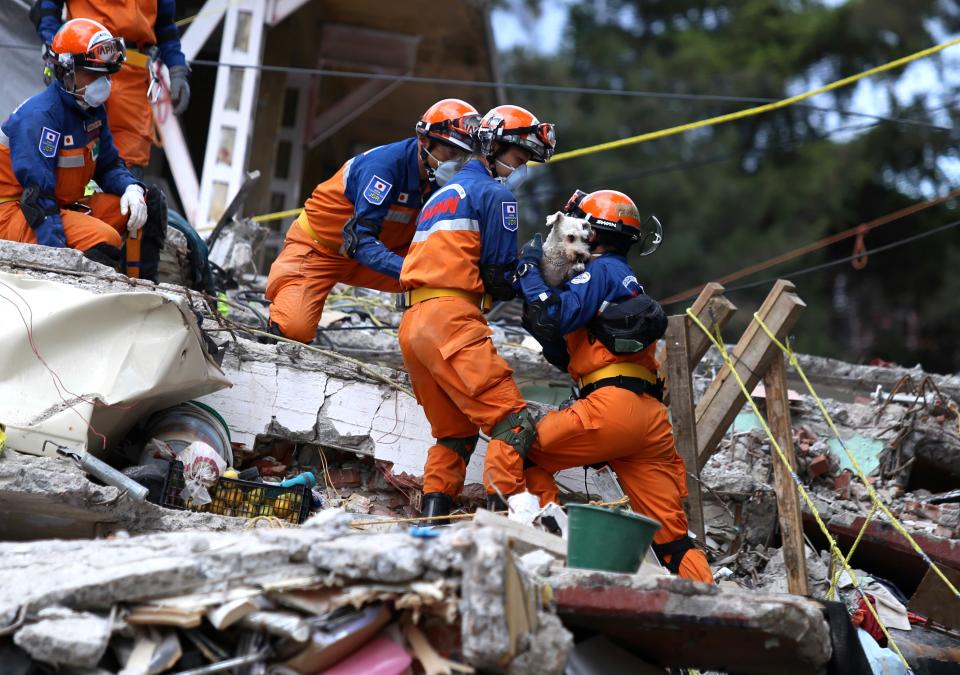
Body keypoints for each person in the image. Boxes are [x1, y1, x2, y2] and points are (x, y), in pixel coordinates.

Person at [515, 188, 714, 584]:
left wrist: (529, 273)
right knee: (672, 541)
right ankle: (715, 607)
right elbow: (562, 344)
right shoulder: (625, 278)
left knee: (522, 453)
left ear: (592, 234)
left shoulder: (598, 271)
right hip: (649, 418)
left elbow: (553, 317)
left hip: (609, 408)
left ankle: (552, 555)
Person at [397, 104, 557, 521]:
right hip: (452, 318)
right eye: (518, 159)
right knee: (513, 422)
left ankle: (430, 523)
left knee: (454, 433)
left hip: (414, 325)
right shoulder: (496, 196)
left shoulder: (440, 196)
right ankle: (499, 519)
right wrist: (534, 264)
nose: (517, 170)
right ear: (494, 145)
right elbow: (501, 278)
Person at [265, 99, 480, 343]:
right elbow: (360, 241)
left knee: (450, 281)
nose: (457, 163)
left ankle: (431, 348)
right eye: (451, 153)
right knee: (293, 330)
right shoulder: (383, 168)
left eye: (463, 156)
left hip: (380, 255)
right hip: (321, 252)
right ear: (424, 141)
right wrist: (416, 271)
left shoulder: (442, 181)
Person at [0, 18, 166, 279]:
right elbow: (38, 200)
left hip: (61, 206)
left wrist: (130, 188)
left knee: (147, 202)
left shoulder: (92, 111)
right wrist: (57, 261)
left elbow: (109, 165)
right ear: (66, 72)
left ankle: (145, 286)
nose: (103, 82)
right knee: (104, 239)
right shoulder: (41, 119)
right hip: (16, 213)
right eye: (93, 73)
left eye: (105, 74)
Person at [32, 0, 190, 174]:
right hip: (82, 72)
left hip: (132, 81)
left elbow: (165, 27)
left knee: (128, 166)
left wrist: (177, 68)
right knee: (70, 155)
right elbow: (47, 7)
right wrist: (54, 49)